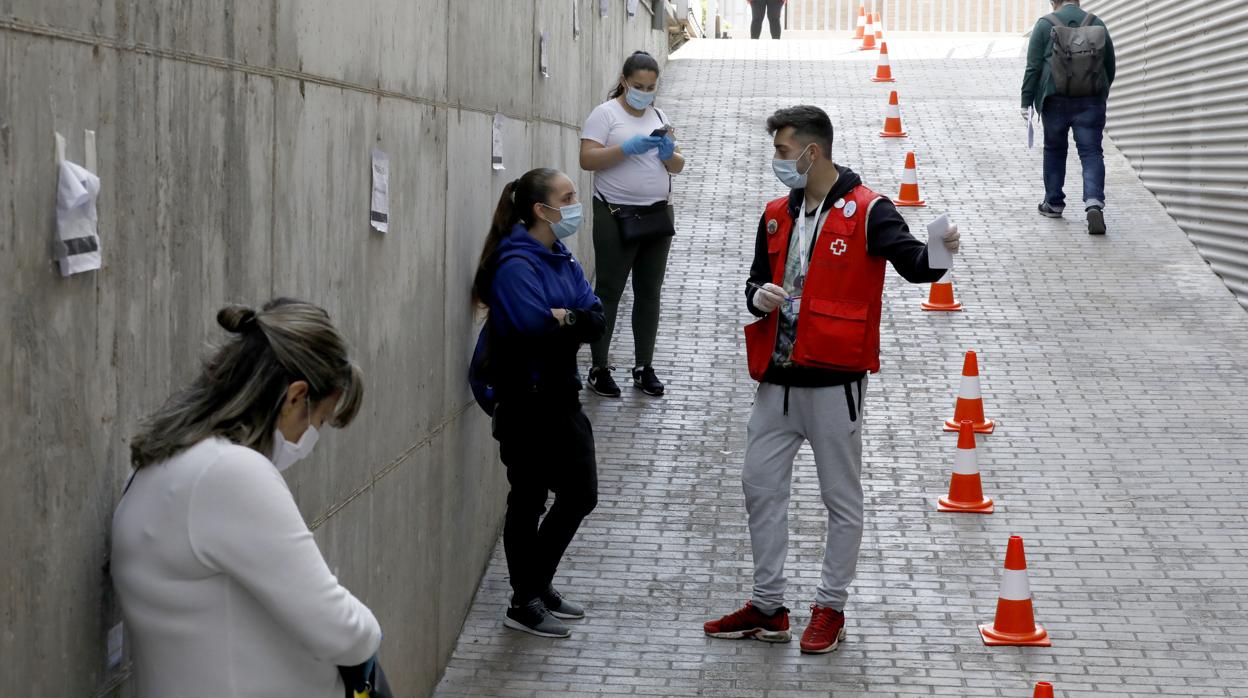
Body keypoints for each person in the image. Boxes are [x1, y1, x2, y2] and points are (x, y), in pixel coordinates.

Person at [703, 106, 962, 654]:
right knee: (759, 485)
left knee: (840, 499)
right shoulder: (776, 212)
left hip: (834, 384)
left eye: (782, 151)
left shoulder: (870, 210)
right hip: (776, 380)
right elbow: (754, 279)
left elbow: (918, 265)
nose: (777, 160)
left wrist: (943, 248)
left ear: (811, 152)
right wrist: (758, 296)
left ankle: (831, 606)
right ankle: (768, 607)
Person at [111, 298, 381, 697]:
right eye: (319, 420)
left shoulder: (162, 464)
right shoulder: (231, 474)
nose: (312, 438)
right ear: (294, 397)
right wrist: (370, 629)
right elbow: (341, 629)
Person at [471, 167, 606, 638]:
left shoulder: (561, 256)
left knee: (579, 494)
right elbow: (532, 328)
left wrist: (566, 317)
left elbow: (597, 317)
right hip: (526, 400)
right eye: (567, 197)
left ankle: (535, 584)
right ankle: (524, 599)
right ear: (540, 210)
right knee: (528, 499)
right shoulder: (514, 265)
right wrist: (573, 321)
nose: (575, 204)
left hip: (560, 395)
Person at [579, 50, 684, 398]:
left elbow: (678, 166)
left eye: (651, 86)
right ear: (624, 82)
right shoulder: (605, 115)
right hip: (615, 214)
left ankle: (644, 366)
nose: (645, 91)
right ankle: (599, 367)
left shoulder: (659, 113)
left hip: (656, 214)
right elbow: (587, 159)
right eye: (638, 85)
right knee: (609, 290)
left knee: (649, 292)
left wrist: (669, 153)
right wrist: (629, 147)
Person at [1021, 0, 1115, 235]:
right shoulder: (1096, 23)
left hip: (1055, 99)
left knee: (1054, 149)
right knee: (1092, 151)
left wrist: (1026, 101)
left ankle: (1053, 203)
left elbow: (1032, 67)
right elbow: (1109, 65)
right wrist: (1099, 92)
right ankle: (1093, 202)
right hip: (1090, 100)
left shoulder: (1044, 25)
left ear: (1053, 2)